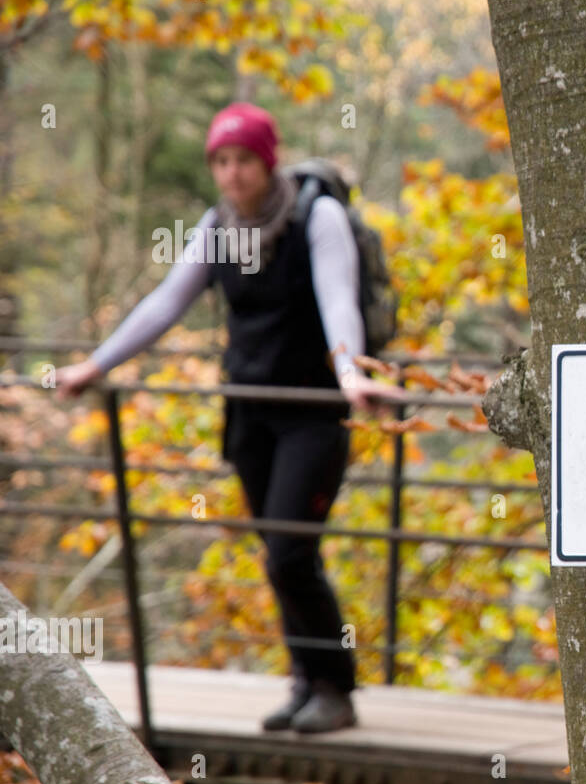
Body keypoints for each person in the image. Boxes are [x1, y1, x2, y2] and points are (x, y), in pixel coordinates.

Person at [54, 102, 404, 734]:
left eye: (244, 158)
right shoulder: (217, 228)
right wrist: (95, 366)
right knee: (278, 549)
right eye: (221, 160)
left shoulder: (315, 216)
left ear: (267, 160)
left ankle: (335, 688)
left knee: (290, 554)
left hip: (314, 413)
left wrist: (352, 374)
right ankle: (306, 681)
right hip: (249, 416)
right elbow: (166, 304)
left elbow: (338, 303)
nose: (233, 172)